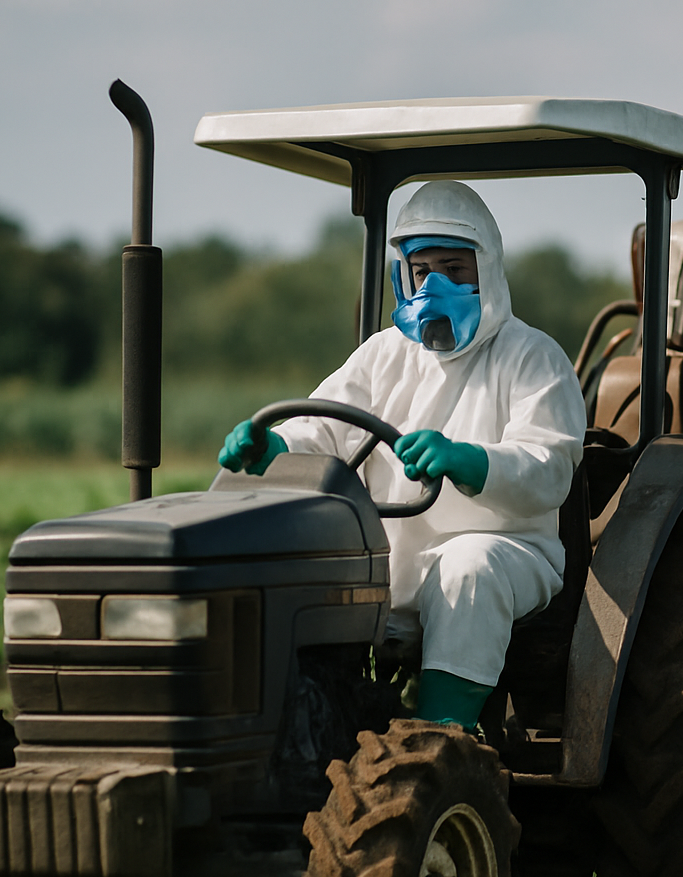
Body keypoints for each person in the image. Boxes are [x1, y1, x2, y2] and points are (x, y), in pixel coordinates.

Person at [217, 180, 585, 730]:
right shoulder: (381, 356)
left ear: (487, 270)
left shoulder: (531, 356)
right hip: (390, 560)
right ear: (403, 276)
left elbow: (549, 465)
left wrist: (469, 460)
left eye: (455, 270)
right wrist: (273, 447)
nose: (436, 284)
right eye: (423, 270)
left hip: (510, 551)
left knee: (469, 567)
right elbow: (321, 426)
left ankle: (440, 743)